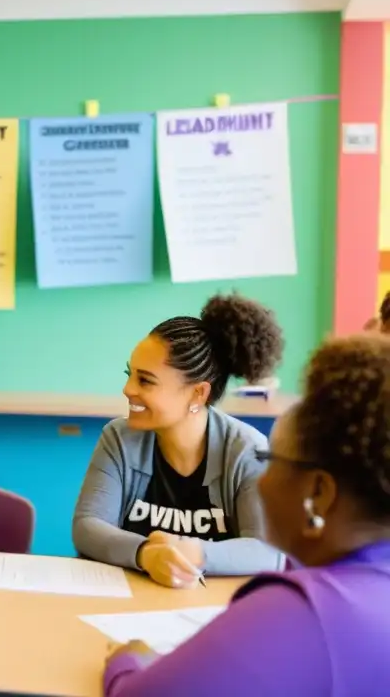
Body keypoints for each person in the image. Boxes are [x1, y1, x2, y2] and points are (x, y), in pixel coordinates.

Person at [103, 333, 390, 695]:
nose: (263, 482)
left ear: (318, 493)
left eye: (271, 461)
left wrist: (127, 660)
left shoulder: (297, 614)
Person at [72, 294, 285, 587]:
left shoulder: (246, 449)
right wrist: (146, 554)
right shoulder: (118, 438)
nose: (127, 389)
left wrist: (193, 552)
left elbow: (267, 551)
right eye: (129, 375)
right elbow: (87, 527)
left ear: (198, 393)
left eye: (145, 380)